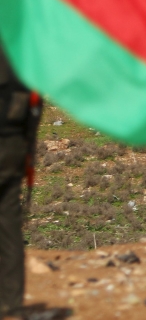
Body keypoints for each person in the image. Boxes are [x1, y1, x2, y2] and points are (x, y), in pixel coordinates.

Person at [0, 48, 42, 318]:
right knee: (8, 223)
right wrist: (29, 146)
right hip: (13, 142)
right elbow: (35, 106)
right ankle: (12, 304)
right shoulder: (20, 51)